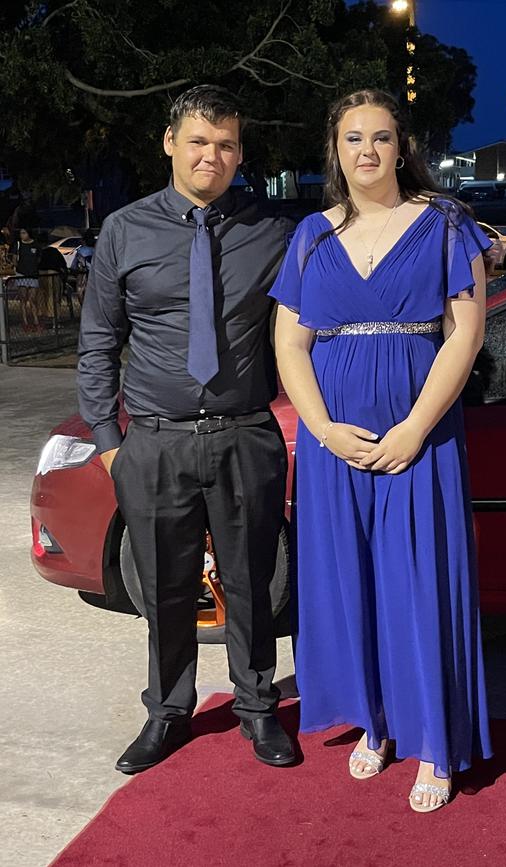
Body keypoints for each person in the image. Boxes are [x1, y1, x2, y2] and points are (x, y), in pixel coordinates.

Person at [271, 89, 492, 813]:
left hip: (420, 439)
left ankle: (434, 739)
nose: (367, 150)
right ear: (335, 151)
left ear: (403, 147)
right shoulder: (311, 234)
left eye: (382, 137)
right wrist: (323, 429)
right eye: (352, 138)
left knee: (419, 584)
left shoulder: (444, 222)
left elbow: (465, 334)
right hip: (336, 444)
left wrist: (415, 428)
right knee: (351, 583)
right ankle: (377, 720)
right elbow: (289, 342)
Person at [78, 85, 295, 774]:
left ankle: (257, 708)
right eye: (199, 141)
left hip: (244, 434)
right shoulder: (123, 231)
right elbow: (97, 342)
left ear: (240, 151)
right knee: (168, 587)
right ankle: (167, 712)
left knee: (250, 583)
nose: (213, 155)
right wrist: (110, 445)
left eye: (227, 143)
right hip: (156, 439)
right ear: (169, 142)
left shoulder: (275, 231)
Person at [11, 227, 41, 330]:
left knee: (33, 299)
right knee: (23, 299)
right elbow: (14, 258)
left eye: (24, 233)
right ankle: (25, 322)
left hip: (33, 275)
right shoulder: (18, 245)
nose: (22, 235)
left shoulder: (36, 245)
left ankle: (36, 321)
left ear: (29, 233)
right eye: (21, 233)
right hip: (21, 274)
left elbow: (38, 258)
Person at [38, 233, 71, 321]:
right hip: (54, 273)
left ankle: (43, 316)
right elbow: (63, 265)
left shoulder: (39, 252)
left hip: (40, 274)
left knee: (43, 295)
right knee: (54, 296)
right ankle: (54, 317)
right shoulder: (54, 251)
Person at [70, 229, 96, 304]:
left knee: (81, 294)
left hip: (82, 275)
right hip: (95, 276)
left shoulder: (80, 251)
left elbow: (74, 265)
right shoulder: (97, 251)